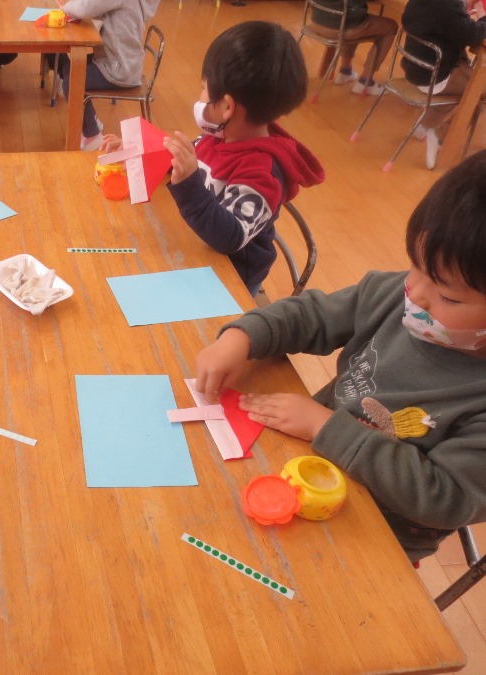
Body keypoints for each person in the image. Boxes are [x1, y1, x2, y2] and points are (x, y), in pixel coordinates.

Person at [195, 150, 486, 564]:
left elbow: (446, 498)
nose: (415, 293)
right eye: (415, 266)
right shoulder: (397, 294)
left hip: (377, 535)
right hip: (307, 459)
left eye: (448, 296)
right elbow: (312, 315)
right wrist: (243, 337)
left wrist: (324, 425)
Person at [101, 21, 325, 296]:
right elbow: (181, 162)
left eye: (204, 89)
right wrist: (139, 151)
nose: (200, 97)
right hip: (197, 250)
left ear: (228, 106)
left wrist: (189, 183)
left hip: (229, 280)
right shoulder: (219, 135)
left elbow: (229, 237)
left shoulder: (262, 174)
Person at [53, 0, 161, 151]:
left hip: (119, 70)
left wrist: (67, 7)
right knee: (69, 67)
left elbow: (86, 8)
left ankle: (92, 137)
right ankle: (92, 121)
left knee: (71, 83)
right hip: (123, 63)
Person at [400, 0, 486, 169]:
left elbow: (441, 23)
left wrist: (462, 15)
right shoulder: (449, 5)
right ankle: (440, 136)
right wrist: (482, 17)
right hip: (435, 76)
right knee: (478, 92)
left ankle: (426, 124)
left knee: (468, 84)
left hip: (416, 68)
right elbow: (474, 35)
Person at [311, 0, 398, 95]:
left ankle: (345, 71)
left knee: (352, 15)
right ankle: (365, 81)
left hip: (317, 20)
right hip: (339, 28)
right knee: (391, 27)